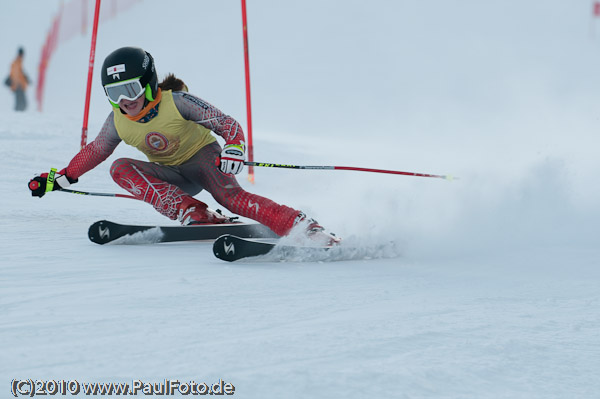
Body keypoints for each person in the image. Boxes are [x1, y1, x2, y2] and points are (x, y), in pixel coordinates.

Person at [28, 46, 337, 244]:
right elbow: (95, 150)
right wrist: (60, 178)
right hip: (172, 176)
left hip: (204, 162)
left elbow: (226, 123)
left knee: (232, 198)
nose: (125, 101)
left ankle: (303, 227)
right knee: (119, 167)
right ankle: (194, 213)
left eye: (131, 89)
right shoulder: (117, 120)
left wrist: (234, 147)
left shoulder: (176, 102)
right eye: (115, 93)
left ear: (149, 83)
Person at [8, 47, 29, 111]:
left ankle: (17, 118)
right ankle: (17, 118)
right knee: (22, 104)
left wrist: (26, 78)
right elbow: (15, 74)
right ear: (21, 54)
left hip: (18, 86)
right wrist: (18, 84)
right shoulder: (17, 62)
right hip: (18, 86)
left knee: (21, 104)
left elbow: (20, 73)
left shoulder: (18, 62)